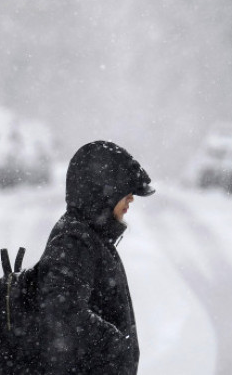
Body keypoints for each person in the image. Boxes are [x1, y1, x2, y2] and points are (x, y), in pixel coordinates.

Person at [36, 140, 155, 375]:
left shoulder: (90, 237)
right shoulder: (74, 242)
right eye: (126, 191)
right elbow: (61, 314)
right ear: (102, 192)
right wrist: (116, 345)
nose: (131, 198)